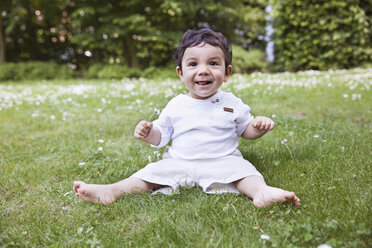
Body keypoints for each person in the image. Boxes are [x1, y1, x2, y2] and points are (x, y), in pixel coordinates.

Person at [73, 28, 300, 208]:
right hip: (179, 162)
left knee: (246, 172)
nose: (203, 70)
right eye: (193, 64)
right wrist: (149, 133)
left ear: (227, 73)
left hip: (223, 160)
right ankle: (112, 190)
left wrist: (257, 127)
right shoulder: (176, 105)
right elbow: (162, 136)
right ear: (180, 73)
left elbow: (245, 130)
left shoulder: (232, 102)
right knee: (149, 175)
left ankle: (261, 193)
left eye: (213, 63)